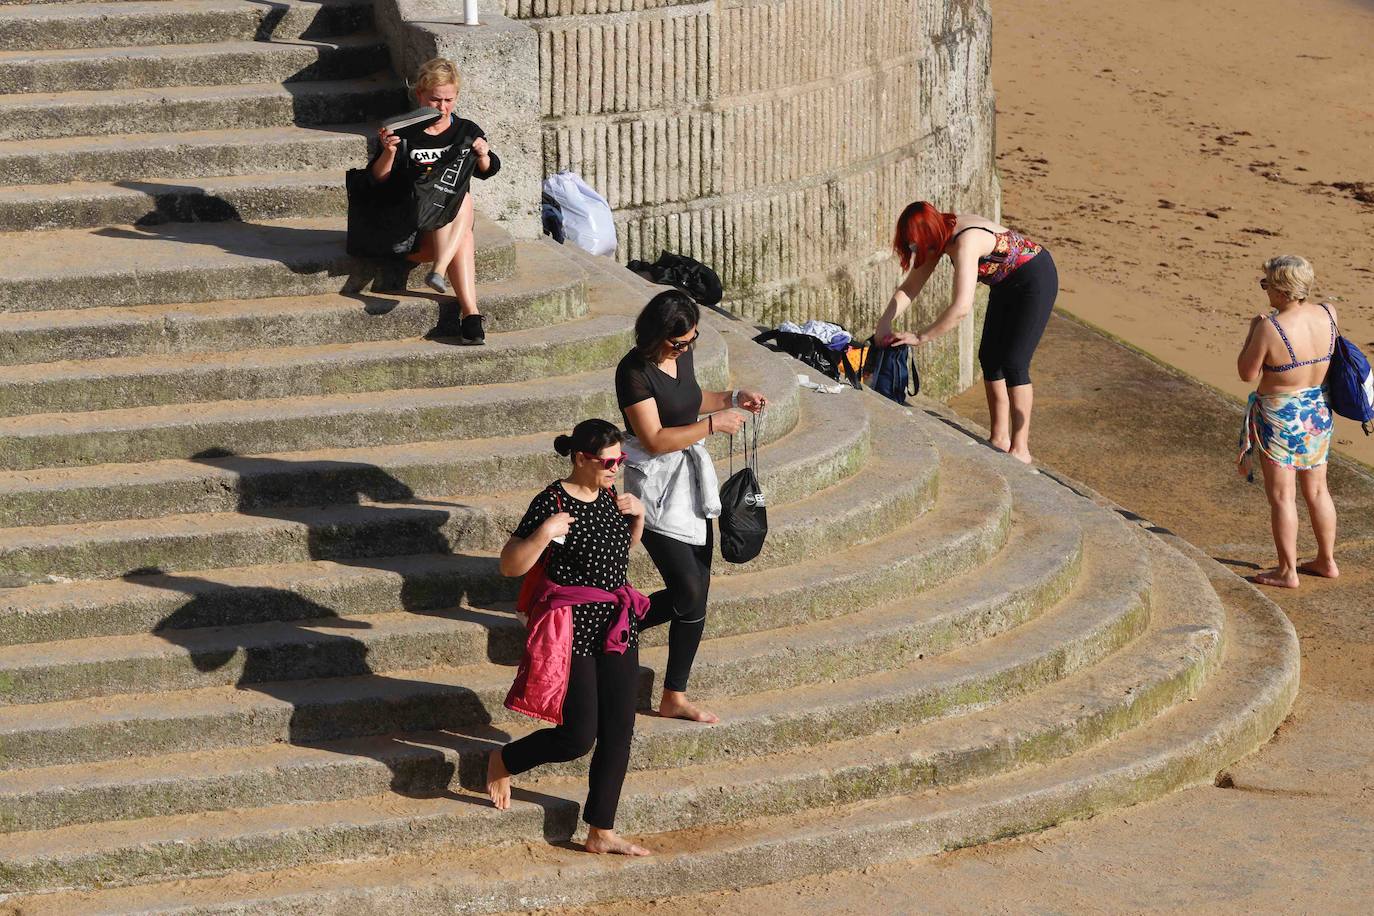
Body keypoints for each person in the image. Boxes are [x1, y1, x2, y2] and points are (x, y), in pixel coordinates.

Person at [486, 419, 652, 856]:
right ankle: (505, 759)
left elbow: (612, 557)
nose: (616, 468)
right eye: (607, 461)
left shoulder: (612, 496)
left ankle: (601, 831)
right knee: (579, 736)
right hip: (571, 627)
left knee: (619, 729)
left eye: (621, 460)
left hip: (617, 624)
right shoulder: (552, 501)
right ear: (580, 458)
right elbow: (509, 566)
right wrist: (544, 533)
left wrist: (638, 521)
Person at [615, 290, 767, 724]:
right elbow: (655, 438)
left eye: (690, 342)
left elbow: (688, 399)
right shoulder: (633, 371)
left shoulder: (681, 355)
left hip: (690, 485)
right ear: (657, 336)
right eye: (678, 343)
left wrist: (734, 398)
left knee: (697, 591)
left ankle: (673, 695)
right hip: (656, 489)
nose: (684, 349)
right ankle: (615, 621)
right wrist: (713, 427)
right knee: (688, 589)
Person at [875, 201, 1058, 463]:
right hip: (1005, 284)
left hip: (1035, 279)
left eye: (917, 245)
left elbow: (961, 307)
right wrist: (884, 323)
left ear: (930, 234)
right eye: (911, 245)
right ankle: (999, 438)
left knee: (1015, 363)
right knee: (990, 357)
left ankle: (1021, 449)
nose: (916, 251)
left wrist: (920, 336)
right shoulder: (937, 238)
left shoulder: (966, 242)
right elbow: (911, 287)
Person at [370, 58, 500, 345]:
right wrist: (388, 153)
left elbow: (489, 170)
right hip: (409, 232)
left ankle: (468, 310)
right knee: (459, 214)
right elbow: (378, 180)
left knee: (459, 201)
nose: (442, 107)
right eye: (435, 99)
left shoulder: (465, 130)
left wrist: (483, 154)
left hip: (446, 221)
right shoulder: (403, 131)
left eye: (448, 100)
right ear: (419, 95)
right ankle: (465, 308)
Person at [1236, 255, 1339, 588]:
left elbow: (1246, 373)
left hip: (1281, 415)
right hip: (1317, 410)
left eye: (1267, 284)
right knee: (1318, 490)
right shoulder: (1328, 314)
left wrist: (1253, 332)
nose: (1265, 289)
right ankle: (1326, 560)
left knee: (1282, 497)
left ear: (1280, 291)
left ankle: (1287, 571)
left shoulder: (1270, 327)